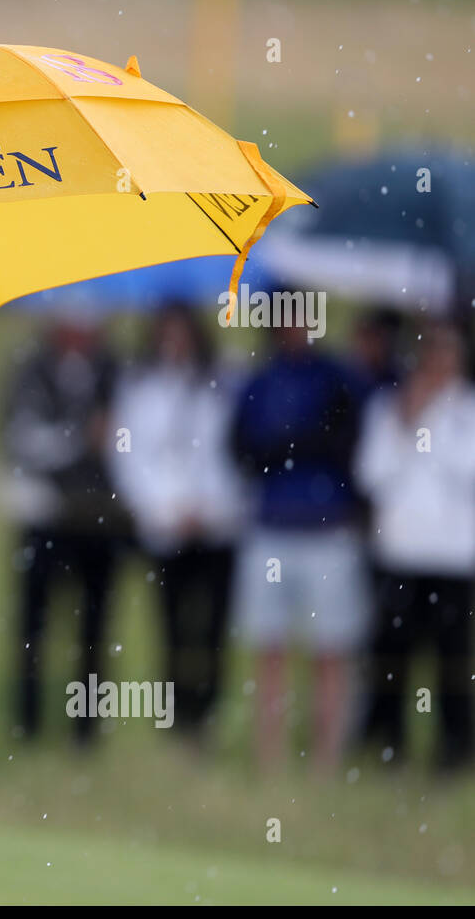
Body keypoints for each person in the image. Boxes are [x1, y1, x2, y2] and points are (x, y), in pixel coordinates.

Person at [229, 320, 371, 775]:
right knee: (269, 648)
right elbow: (241, 449)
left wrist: (297, 442)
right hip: (272, 527)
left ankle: (327, 758)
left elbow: (352, 442)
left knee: (331, 648)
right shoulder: (260, 381)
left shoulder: (337, 378)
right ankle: (270, 756)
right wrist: (294, 443)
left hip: (328, 529)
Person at [106, 302, 244, 738]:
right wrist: (164, 508)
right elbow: (129, 458)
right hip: (165, 526)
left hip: (217, 524)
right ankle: (175, 715)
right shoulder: (140, 387)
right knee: (170, 623)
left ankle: (207, 712)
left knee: (214, 625)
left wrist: (210, 506)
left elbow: (233, 453)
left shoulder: (223, 382)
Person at [0, 308, 129, 745]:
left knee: (96, 627)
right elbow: (24, 440)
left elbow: (131, 442)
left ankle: (86, 728)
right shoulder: (33, 371)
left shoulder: (116, 371)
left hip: (100, 518)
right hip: (45, 515)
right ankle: (28, 722)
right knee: (33, 625)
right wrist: (79, 438)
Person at [353, 319, 475, 771]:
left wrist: (437, 419)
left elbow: (464, 472)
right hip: (400, 554)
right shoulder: (389, 408)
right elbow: (372, 474)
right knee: (392, 655)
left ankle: (454, 750)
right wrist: (410, 420)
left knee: (452, 659)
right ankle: (388, 744)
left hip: (453, 557)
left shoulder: (467, 411)